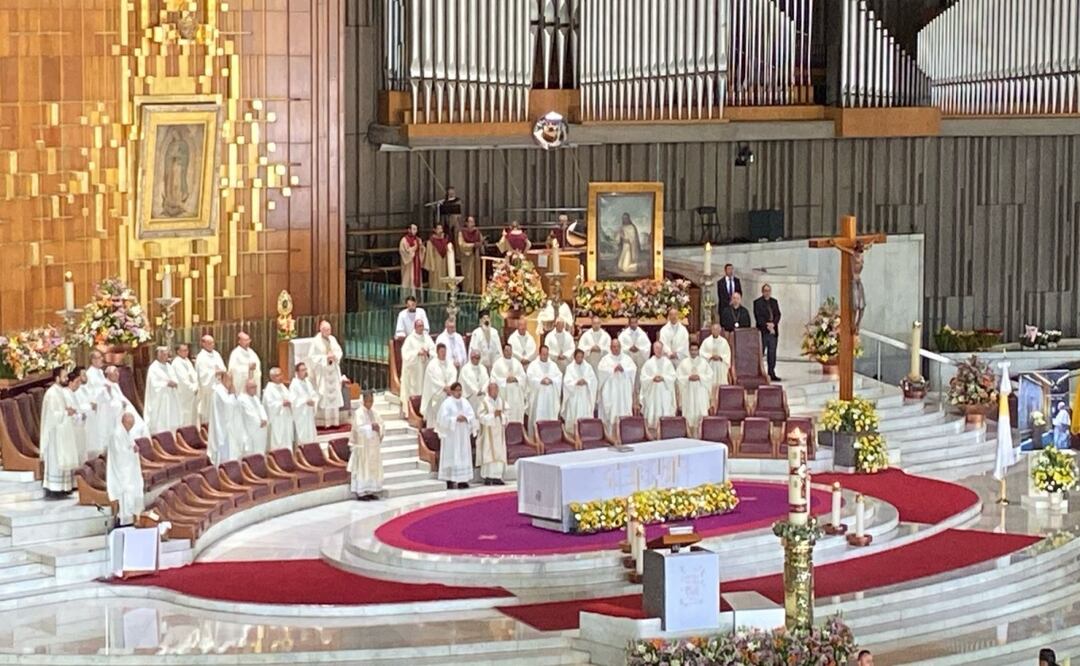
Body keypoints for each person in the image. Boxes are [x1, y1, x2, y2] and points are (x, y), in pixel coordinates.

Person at [40, 368, 82, 498]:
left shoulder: (60, 392)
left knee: (63, 459)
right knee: (56, 461)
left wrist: (67, 411)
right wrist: (65, 413)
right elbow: (52, 416)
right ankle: (54, 488)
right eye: (64, 377)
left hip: (62, 431)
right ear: (57, 378)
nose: (66, 379)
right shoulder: (52, 394)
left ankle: (63, 488)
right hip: (54, 434)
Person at [435, 382, 477, 490]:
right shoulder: (447, 403)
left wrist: (466, 418)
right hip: (451, 435)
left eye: (460, 390)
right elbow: (442, 419)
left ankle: (463, 480)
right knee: (452, 454)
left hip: (462, 434)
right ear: (452, 391)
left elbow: (471, 415)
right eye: (457, 390)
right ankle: (450, 479)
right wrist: (455, 419)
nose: (459, 392)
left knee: (463, 454)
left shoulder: (465, 402)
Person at [107, 412, 145, 526]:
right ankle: (125, 519)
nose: (131, 427)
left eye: (132, 424)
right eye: (130, 424)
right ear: (124, 422)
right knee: (127, 490)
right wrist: (131, 450)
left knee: (136, 488)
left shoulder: (126, 433)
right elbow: (119, 454)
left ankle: (134, 516)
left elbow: (130, 446)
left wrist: (134, 448)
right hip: (121, 472)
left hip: (129, 470)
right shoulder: (116, 434)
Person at [308, 320, 347, 427]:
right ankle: (324, 422)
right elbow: (312, 358)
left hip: (333, 371)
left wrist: (335, 356)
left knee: (334, 395)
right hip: (323, 372)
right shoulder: (316, 341)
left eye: (329, 329)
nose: (328, 331)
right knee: (324, 395)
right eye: (325, 329)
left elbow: (339, 351)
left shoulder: (333, 339)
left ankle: (334, 421)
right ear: (320, 329)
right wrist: (325, 358)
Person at [597, 340, 637, 440]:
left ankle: (625, 435)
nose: (616, 348)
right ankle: (610, 436)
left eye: (617, 346)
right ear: (610, 348)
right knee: (611, 413)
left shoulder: (626, 359)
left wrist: (624, 369)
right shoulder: (605, 360)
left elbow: (633, 369)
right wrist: (612, 370)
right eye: (614, 347)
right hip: (611, 392)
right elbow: (601, 371)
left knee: (623, 411)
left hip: (623, 392)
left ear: (620, 347)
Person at [350, 391, 384, 501]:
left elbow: (381, 424)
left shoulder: (375, 412)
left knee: (372, 468)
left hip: (373, 446)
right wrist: (371, 427)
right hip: (363, 446)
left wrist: (379, 428)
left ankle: (371, 489)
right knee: (363, 468)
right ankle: (361, 491)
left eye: (372, 401)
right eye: (368, 401)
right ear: (363, 400)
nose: (370, 404)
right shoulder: (359, 413)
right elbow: (358, 428)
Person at [639, 341, 677, 439]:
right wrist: (652, 379)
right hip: (653, 394)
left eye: (660, 348)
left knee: (665, 412)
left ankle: (665, 434)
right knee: (653, 415)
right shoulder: (648, 363)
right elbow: (643, 378)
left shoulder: (667, 363)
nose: (658, 350)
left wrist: (663, 378)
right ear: (653, 349)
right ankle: (653, 436)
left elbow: (672, 376)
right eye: (656, 348)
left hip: (664, 393)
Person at [677, 342, 715, 438]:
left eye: (695, 350)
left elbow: (710, 376)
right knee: (689, 414)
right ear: (689, 351)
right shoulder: (684, 363)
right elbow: (678, 377)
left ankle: (700, 435)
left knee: (700, 412)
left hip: (700, 392)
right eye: (692, 350)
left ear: (698, 351)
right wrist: (688, 378)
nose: (694, 352)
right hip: (688, 392)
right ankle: (689, 435)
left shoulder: (704, 363)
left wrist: (699, 377)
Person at [476, 383, 509, 485]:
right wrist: (492, 415)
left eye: (496, 389)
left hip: (499, 432)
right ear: (488, 391)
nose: (494, 392)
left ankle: (497, 477)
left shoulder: (502, 402)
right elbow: (480, 416)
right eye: (492, 390)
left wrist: (502, 416)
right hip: (488, 433)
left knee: (499, 453)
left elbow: (507, 415)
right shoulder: (484, 402)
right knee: (488, 453)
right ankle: (488, 477)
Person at [144, 346, 182, 435]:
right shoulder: (154, 368)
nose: (165, 356)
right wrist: (166, 383)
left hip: (171, 397)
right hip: (160, 399)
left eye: (166, 354)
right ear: (158, 355)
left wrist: (175, 383)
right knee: (162, 421)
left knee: (171, 419)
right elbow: (154, 384)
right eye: (163, 354)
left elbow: (175, 378)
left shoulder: (169, 366)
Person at [103, 366, 149, 438]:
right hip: (117, 414)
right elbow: (109, 404)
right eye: (114, 372)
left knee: (142, 426)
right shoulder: (106, 385)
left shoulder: (115, 384)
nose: (117, 374)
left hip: (125, 410)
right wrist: (121, 405)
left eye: (117, 372)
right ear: (108, 374)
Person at [527, 346, 563, 437]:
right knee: (538, 416)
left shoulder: (553, 365)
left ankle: (551, 436)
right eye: (543, 354)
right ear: (539, 354)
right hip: (538, 397)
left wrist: (552, 380)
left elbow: (559, 377)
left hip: (550, 397)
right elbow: (530, 378)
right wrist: (540, 381)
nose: (545, 356)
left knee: (550, 416)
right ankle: (536, 436)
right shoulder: (533, 365)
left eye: (547, 354)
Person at [561, 349, 598, 438]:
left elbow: (594, 380)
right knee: (574, 416)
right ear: (574, 357)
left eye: (581, 357)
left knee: (585, 414)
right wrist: (575, 382)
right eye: (578, 357)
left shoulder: (588, 367)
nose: (580, 359)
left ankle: (586, 433)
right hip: (574, 395)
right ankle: (573, 435)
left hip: (585, 395)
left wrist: (587, 381)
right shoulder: (570, 368)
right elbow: (566, 382)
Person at [491, 344, 528, 423]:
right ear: (503, 351)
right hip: (504, 394)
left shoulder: (517, 362)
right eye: (506, 351)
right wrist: (505, 380)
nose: (509, 352)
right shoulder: (497, 364)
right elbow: (493, 379)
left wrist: (516, 379)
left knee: (516, 415)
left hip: (516, 395)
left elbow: (523, 376)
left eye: (510, 350)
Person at [422, 343, 458, 425]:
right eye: (442, 351)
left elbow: (453, 374)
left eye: (445, 351)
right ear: (437, 352)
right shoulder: (432, 365)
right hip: (436, 396)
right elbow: (432, 380)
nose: (444, 353)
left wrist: (450, 387)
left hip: (448, 395)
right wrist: (444, 387)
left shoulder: (449, 364)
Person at [400, 319, 436, 400]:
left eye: (422, 326)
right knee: (415, 392)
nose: (421, 328)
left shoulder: (427, 338)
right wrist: (417, 353)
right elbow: (405, 355)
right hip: (414, 373)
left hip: (425, 370)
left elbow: (434, 351)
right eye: (419, 326)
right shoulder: (410, 339)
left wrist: (428, 352)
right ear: (415, 327)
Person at [195, 334, 226, 425]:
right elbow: (203, 376)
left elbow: (223, 368)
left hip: (219, 388)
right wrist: (214, 373)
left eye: (213, 343)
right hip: (209, 391)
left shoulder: (216, 354)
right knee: (209, 417)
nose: (212, 345)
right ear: (203, 344)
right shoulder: (201, 357)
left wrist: (222, 371)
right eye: (209, 343)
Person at [754, 283, 782, 381]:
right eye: (765, 291)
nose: (767, 293)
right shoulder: (757, 302)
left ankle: (771, 372)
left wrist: (773, 324)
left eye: (768, 291)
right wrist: (768, 326)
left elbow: (778, 315)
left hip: (773, 332)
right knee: (761, 353)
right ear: (762, 292)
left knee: (772, 353)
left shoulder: (774, 302)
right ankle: (759, 372)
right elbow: (758, 317)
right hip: (763, 331)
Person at [208, 372, 238, 464]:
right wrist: (233, 394)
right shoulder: (219, 390)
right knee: (223, 453)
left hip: (225, 425)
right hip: (221, 427)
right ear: (223, 379)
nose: (231, 383)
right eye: (230, 380)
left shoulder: (224, 391)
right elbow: (228, 405)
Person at [263, 368, 294, 450]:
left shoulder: (283, 387)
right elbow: (269, 405)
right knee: (277, 443)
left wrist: (290, 402)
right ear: (272, 377)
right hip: (276, 420)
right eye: (277, 376)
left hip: (285, 418)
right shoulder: (269, 389)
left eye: (281, 374)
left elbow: (290, 397)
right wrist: (281, 404)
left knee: (287, 441)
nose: (280, 377)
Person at [290, 362, 319, 444]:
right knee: (302, 436)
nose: (305, 372)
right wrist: (305, 402)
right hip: (301, 414)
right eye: (302, 370)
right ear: (297, 372)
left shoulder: (308, 382)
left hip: (309, 413)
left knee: (310, 433)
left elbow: (314, 394)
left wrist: (314, 401)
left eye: (305, 369)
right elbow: (293, 400)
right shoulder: (294, 384)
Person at [172, 343, 199, 427]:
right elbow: (183, 380)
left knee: (193, 416)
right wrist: (193, 388)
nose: (186, 352)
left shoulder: (187, 361)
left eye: (187, 350)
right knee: (185, 416)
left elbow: (193, 375)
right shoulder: (177, 363)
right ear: (178, 351)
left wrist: (197, 385)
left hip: (192, 394)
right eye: (184, 350)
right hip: (184, 395)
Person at [238, 379, 268, 455]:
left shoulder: (255, 398)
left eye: (255, 387)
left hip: (260, 432)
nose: (255, 389)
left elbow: (262, 409)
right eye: (252, 387)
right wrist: (259, 422)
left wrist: (264, 419)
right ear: (246, 388)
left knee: (260, 453)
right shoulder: (242, 399)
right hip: (250, 432)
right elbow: (249, 415)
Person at [700, 323, 732, 394]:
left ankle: (722, 397)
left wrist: (720, 357)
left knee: (721, 382)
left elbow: (727, 354)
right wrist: (710, 356)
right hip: (710, 364)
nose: (715, 331)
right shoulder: (706, 341)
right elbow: (702, 353)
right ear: (711, 330)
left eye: (717, 329)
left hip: (721, 365)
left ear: (720, 330)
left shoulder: (724, 342)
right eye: (714, 329)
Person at [228, 331, 262, 397]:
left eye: (248, 340)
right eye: (245, 340)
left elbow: (257, 366)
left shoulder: (252, 352)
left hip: (252, 381)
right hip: (241, 384)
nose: (247, 342)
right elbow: (233, 370)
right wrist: (247, 368)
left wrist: (254, 368)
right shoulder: (235, 353)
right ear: (240, 341)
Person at [456, 215, 484, 293]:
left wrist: (481, 244)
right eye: (470, 222)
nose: (472, 224)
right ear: (466, 223)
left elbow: (481, 242)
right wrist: (472, 245)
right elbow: (461, 245)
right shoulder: (462, 233)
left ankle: (477, 292)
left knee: (477, 277)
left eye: (473, 222)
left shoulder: (477, 232)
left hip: (476, 256)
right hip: (467, 258)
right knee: (468, 276)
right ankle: (468, 293)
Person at [399, 223, 424, 294]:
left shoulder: (418, 239)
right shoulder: (404, 240)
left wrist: (421, 248)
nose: (415, 231)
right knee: (407, 281)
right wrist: (414, 249)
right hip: (408, 264)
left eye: (416, 229)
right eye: (413, 229)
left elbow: (422, 251)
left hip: (417, 263)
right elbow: (403, 251)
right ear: (409, 230)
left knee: (416, 282)